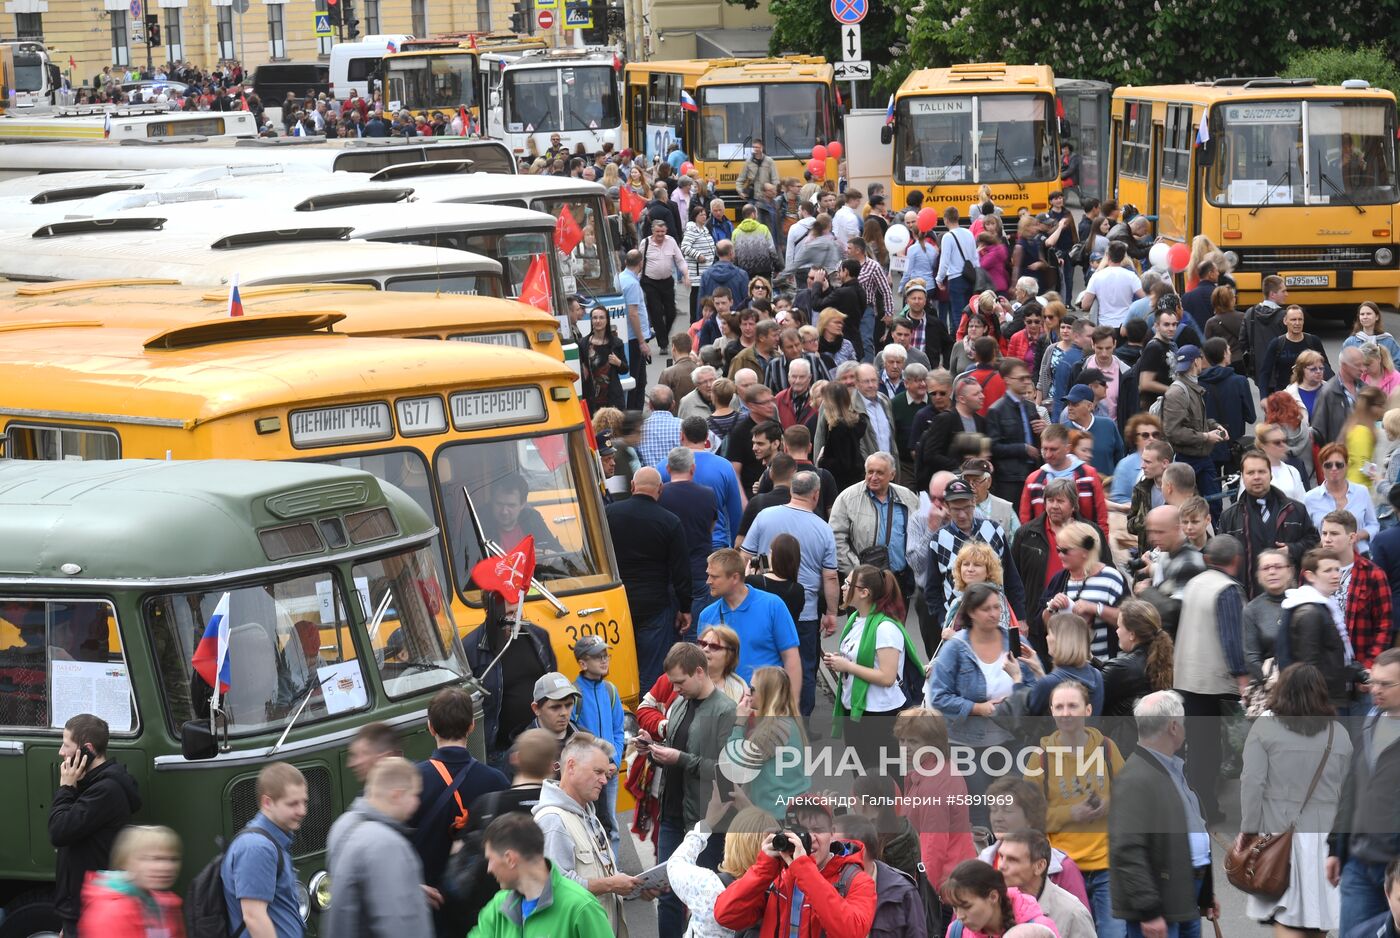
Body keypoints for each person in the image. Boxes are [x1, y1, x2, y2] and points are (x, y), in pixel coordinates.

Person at [1239, 663, 1353, 937]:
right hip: (1325, 837)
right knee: (1318, 918)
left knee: (1287, 913)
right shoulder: (1338, 733)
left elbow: (1252, 783)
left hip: (1280, 834)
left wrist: (1248, 828)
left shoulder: (1266, 726)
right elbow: (1347, 790)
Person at [928, 583, 1042, 826]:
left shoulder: (1015, 641)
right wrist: (979, 708)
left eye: (995, 607)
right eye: (985, 609)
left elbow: (1035, 689)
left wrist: (1018, 693)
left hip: (1012, 739)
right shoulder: (957, 648)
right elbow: (938, 696)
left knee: (1013, 810)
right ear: (970, 612)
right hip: (968, 744)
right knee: (979, 815)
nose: (993, 614)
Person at [1108, 692, 1218, 938]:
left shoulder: (1170, 768)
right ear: (1173, 727)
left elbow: (1191, 829)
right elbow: (1127, 850)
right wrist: (1149, 911)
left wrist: (1205, 894)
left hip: (1184, 896)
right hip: (1160, 906)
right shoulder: (1135, 779)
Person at [742, 472, 840, 716]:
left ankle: (758, 715)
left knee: (764, 664)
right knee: (804, 669)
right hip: (803, 613)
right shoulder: (823, 528)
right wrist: (831, 612)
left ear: (791, 490)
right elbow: (829, 576)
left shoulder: (765, 516)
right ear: (815, 495)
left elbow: (744, 555)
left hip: (761, 608)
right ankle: (800, 724)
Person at [411, 687, 508, 934]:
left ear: (431, 727)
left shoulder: (413, 781)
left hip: (430, 910)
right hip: (483, 910)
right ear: (472, 726)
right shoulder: (496, 781)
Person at [714, 799, 878, 937]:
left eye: (817, 830)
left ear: (832, 832)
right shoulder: (779, 876)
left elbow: (852, 932)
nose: (809, 838)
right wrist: (764, 868)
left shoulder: (856, 880)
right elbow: (726, 915)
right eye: (801, 831)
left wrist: (805, 870)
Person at [1173, 535, 1249, 825]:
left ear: (1207, 559)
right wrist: (1241, 676)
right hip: (1213, 681)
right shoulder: (1228, 590)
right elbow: (1232, 637)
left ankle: (1197, 805)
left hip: (1187, 676)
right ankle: (1206, 809)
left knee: (1198, 746)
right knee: (1209, 750)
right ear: (1236, 561)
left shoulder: (1195, 583)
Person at [48, 712, 142, 938]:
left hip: (89, 908)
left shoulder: (105, 791)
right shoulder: (94, 785)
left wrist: (66, 788)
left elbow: (59, 831)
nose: (61, 752)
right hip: (81, 909)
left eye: (66, 745)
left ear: (87, 749)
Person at [1328, 647, 1400, 937]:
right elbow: (1351, 788)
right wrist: (1336, 847)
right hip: (1359, 864)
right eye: (1373, 681)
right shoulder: (1370, 722)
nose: (1375, 690)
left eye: (1385, 684)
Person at [533, 734, 637, 934]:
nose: (604, 781)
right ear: (571, 766)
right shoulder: (553, 820)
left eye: (606, 774)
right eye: (598, 772)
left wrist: (633, 885)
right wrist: (611, 885)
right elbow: (554, 887)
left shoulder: (587, 813)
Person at [325, 757, 433, 938]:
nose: (418, 803)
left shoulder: (343, 826)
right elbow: (400, 925)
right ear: (396, 795)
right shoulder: (388, 845)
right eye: (415, 795)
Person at [826, 565, 923, 765]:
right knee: (863, 782)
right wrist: (840, 661)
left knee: (884, 783)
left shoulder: (885, 628)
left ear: (864, 592)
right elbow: (860, 658)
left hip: (880, 715)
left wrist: (847, 666)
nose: (843, 587)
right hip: (855, 710)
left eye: (848, 583)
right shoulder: (855, 619)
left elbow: (887, 677)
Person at [606, 467, 692, 687]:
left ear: (633, 486)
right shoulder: (670, 522)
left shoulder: (609, 514)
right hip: (655, 605)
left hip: (617, 603)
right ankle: (646, 714)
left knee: (615, 665)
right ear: (660, 489)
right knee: (651, 671)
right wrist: (685, 608)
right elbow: (681, 570)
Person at [473, 812, 613, 938]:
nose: (489, 869)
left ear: (510, 859)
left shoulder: (581, 907)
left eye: (490, 859)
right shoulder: (498, 906)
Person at [926, 478, 1026, 645]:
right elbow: (932, 589)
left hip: (996, 619)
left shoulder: (994, 530)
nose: (962, 514)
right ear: (947, 508)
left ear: (974, 502)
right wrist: (944, 621)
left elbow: (1011, 578)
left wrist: (1021, 618)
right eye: (956, 509)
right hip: (957, 624)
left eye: (966, 507)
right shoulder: (938, 539)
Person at [223, 763, 309, 938]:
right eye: (293, 804)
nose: (302, 811)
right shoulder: (257, 848)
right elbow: (254, 917)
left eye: (304, 802)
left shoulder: (271, 843)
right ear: (267, 803)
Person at [697, 548, 802, 690]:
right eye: (708, 575)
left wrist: (793, 705)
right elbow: (703, 665)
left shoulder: (773, 606)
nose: (708, 581)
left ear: (734, 578)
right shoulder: (707, 615)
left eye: (714, 577)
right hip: (725, 705)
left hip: (766, 702)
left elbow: (791, 658)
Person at [831, 452, 922, 600]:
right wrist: (855, 571)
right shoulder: (847, 498)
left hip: (899, 581)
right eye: (870, 472)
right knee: (864, 624)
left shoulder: (908, 497)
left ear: (892, 475)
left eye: (879, 473)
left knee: (895, 624)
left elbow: (920, 533)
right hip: (862, 583)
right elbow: (836, 538)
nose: (873, 477)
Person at [1318, 510, 1394, 676]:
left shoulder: (1373, 574)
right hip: (1323, 675)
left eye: (1334, 533)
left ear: (1352, 538)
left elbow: (1384, 626)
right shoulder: (1310, 573)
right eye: (1324, 533)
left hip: (1360, 670)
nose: (1327, 539)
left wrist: (1368, 666)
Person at [569, 635, 626, 854]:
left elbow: (618, 731)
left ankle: (613, 873)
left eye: (606, 655)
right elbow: (573, 737)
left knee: (610, 823)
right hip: (587, 772)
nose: (604, 660)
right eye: (597, 657)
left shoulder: (611, 691)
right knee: (587, 823)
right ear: (583, 663)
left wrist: (614, 761)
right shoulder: (575, 694)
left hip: (609, 771)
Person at [77, 824, 184, 938]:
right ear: (125, 862)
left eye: (173, 859)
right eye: (154, 859)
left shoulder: (167, 906)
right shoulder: (111, 912)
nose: (166, 867)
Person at [1160, 345, 1228, 521]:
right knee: (1186, 508)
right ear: (1197, 361)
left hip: (1203, 457)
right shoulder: (1177, 392)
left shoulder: (1193, 387)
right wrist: (1206, 437)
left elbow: (1197, 421)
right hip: (1186, 460)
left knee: (1214, 506)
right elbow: (1173, 432)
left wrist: (1215, 426)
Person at [997, 829, 1098, 938]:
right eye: (1001, 857)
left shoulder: (1072, 913)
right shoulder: (992, 904)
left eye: (1012, 860)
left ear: (1039, 866)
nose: (1002, 866)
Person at [1020, 423, 1110, 535]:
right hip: (1045, 546)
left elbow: (1101, 518)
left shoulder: (1088, 475)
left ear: (1067, 448)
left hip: (1082, 544)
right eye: (1044, 449)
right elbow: (1025, 522)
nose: (1048, 455)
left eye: (1053, 449)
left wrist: (1102, 548)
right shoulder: (1033, 480)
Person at [943, 859, 1059, 938]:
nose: (959, 916)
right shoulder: (956, 931)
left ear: (993, 896)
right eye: (955, 907)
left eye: (966, 906)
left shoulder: (1037, 931)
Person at [916, 374, 989, 492]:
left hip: (974, 487)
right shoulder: (945, 419)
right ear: (961, 399)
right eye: (976, 394)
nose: (982, 396)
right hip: (948, 487)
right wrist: (960, 466)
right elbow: (930, 454)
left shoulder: (981, 421)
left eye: (981, 392)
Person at [989, 359, 1047, 505]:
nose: (1026, 382)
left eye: (1028, 377)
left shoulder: (1030, 407)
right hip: (1009, 479)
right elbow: (993, 447)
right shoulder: (997, 410)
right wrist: (1023, 448)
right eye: (1021, 378)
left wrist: (1044, 431)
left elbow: (1040, 441)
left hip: (1033, 472)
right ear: (1007, 380)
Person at [1304, 443, 1380, 552]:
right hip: (1326, 558)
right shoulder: (1310, 498)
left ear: (1347, 466)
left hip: (1359, 554)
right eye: (1328, 465)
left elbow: (1373, 525)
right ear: (1321, 467)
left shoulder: (1361, 492)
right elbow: (1307, 535)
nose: (1334, 468)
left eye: (1339, 465)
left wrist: (1357, 536)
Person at [1260, 306, 1331, 397]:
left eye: (1300, 319)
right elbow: (1265, 373)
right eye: (1293, 320)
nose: (1297, 323)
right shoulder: (1277, 344)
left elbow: (1326, 367)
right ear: (1285, 321)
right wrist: (1263, 397)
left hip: (1311, 393)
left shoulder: (1313, 341)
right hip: (1284, 395)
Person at [582, 305, 627, 410]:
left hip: (612, 398)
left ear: (607, 321)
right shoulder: (583, 343)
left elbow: (625, 369)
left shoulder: (616, 343)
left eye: (601, 318)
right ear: (591, 321)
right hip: (591, 398)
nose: (598, 321)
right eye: (595, 318)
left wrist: (618, 363)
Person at [1344, 385, 1389, 486]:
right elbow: (1362, 465)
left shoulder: (1359, 427)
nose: (1383, 409)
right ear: (1371, 407)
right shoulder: (1362, 431)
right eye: (1380, 405)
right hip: (1359, 485)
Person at [1253, 422, 1307, 502]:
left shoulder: (1292, 471)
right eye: (1277, 442)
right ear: (1263, 446)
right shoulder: (1253, 473)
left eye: (1284, 441)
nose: (1283, 445)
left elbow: (1302, 502)